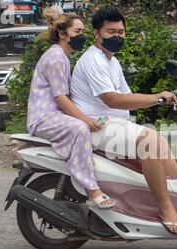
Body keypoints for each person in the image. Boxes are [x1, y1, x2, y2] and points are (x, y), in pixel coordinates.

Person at [70, 6, 177, 235]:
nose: (118, 36)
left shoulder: (112, 62)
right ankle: (167, 210)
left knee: (161, 143)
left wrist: (167, 97)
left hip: (112, 125)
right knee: (151, 141)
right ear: (97, 34)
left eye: (121, 32)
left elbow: (127, 96)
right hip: (95, 126)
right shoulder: (92, 60)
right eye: (111, 31)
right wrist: (157, 98)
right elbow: (113, 100)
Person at [26, 5, 115, 209]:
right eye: (77, 32)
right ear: (62, 34)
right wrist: (84, 119)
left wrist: (89, 116)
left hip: (54, 116)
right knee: (80, 128)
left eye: (83, 32)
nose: (81, 36)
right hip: (44, 118)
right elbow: (60, 98)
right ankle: (92, 190)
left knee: (98, 124)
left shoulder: (61, 56)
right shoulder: (56, 57)